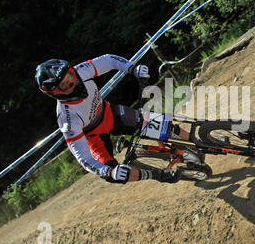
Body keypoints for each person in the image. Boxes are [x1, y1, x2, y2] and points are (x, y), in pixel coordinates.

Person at [35, 54, 197, 184]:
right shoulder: (67, 119)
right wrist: (109, 171)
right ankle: (158, 175)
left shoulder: (81, 71)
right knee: (114, 175)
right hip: (94, 137)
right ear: (56, 93)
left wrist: (132, 69)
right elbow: (83, 158)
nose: (73, 81)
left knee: (163, 125)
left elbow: (109, 60)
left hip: (111, 113)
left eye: (70, 75)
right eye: (65, 84)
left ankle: (195, 141)